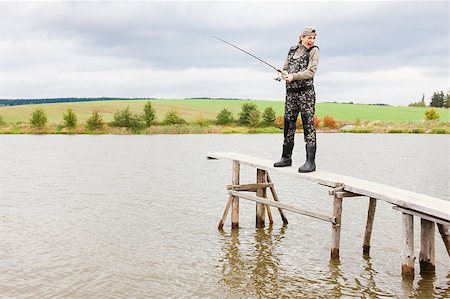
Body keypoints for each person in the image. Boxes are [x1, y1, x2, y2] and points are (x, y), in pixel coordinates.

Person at [274, 26, 320, 173]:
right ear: (302, 37)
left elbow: (310, 72)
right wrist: (284, 74)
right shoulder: (292, 49)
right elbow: (285, 67)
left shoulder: (314, 51)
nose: (311, 41)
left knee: (308, 126)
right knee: (288, 124)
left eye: (313, 38)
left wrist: (293, 77)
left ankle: (310, 163)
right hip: (290, 94)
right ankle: (286, 158)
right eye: (309, 38)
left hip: (306, 94)